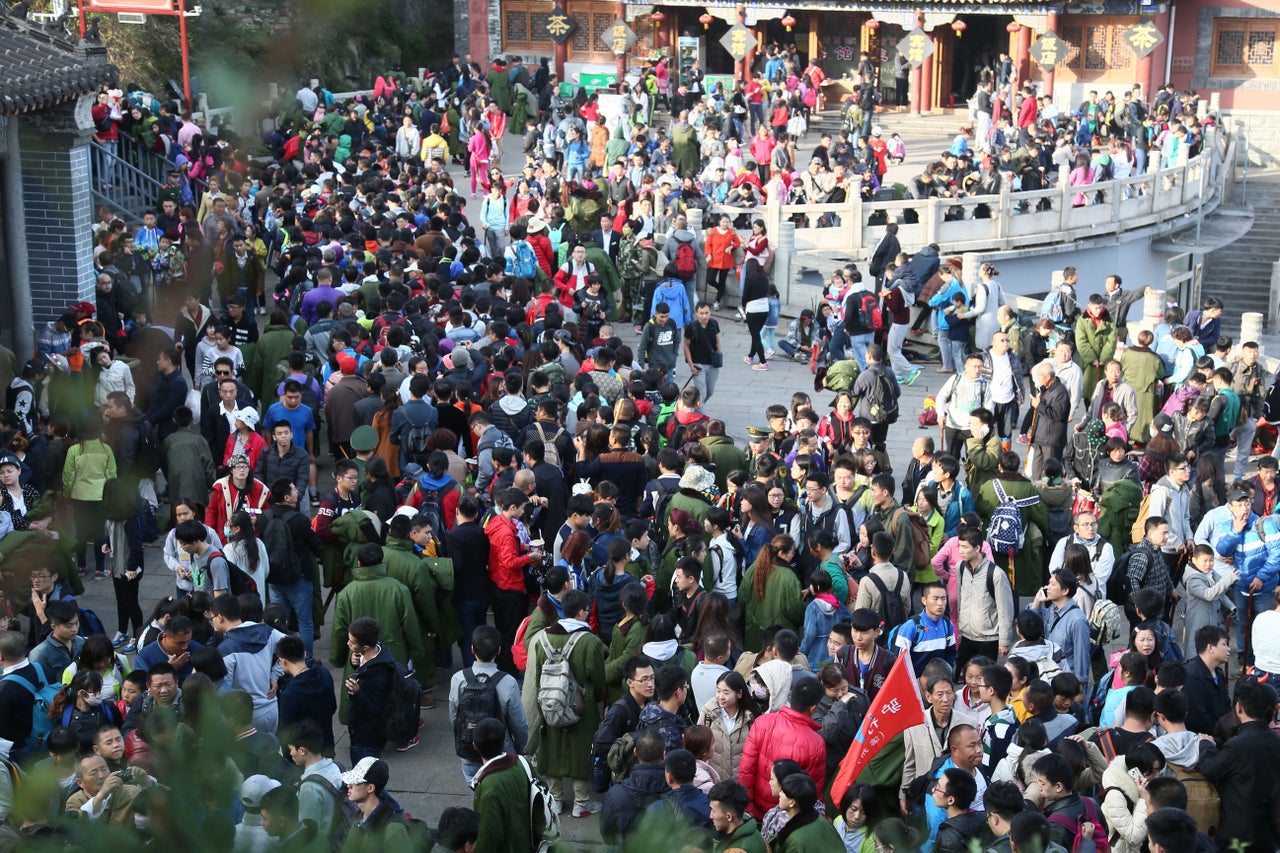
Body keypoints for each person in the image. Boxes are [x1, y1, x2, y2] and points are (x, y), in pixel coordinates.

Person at [525, 588, 606, 817]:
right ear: (581, 612)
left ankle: (556, 799)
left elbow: (537, 673)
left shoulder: (543, 638)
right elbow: (598, 679)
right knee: (581, 748)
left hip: (548, 702)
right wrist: (597, 701)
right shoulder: (590, 642)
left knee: (550, 747)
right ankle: (581, 803)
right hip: (582, 704)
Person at [1196, 678, 1280, 852]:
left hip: (1238, 831)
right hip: (1269, 830)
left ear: (1239, 708)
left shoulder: (1238, 745)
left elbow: (1210, 769)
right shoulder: (1275, 741)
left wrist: (1205, 745)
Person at [449, 625, 527, 786]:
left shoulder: (458, 679)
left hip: (469, 753)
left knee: (479, 797)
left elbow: (454, 717)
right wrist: (520, 749)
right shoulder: (508, 682)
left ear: (472, 649)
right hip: (501, 754)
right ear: (498, 650)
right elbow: (518, 724)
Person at [738, 676, 826, 818]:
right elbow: (812, 789)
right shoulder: (816, 743)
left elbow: (746, 770)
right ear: (813, 708)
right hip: (787, 817)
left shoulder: (763, 722)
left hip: (756, 809)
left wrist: (746, 808)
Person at [471, 717, 536, 853]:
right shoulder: (522, 763)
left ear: (474, 745)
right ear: (503, 743)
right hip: (530, 842)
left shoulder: (488, 788)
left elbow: (488, 836)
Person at [1028, 569, 1091, 686]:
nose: (1047, 587)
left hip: (1067, 682)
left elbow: (1082, 656)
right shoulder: (1052, 610)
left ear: (1065, 591)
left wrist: (1080, 686)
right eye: (1048, 583)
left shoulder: (1077, 620)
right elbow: (1030, 625)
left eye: (1052, 584)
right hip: (1050, 677)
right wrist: (1037, 601)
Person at [339, 758, 412, 849]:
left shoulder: (393, 829)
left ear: (370, 788)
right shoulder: (359, 816)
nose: (349, 785)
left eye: (355, 782)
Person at [1183, 625, 1231, 735]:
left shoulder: (1218, 673)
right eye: (1224, 644)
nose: (1229, 649)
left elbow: (1226, 706)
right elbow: (1197, 719)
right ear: (1210, 647)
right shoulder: (1191, 676)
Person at [709, 779, 767, 853]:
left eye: (714, 811)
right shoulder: (756, 834)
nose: (711, 816)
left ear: (729, 817)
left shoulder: (738, 849)